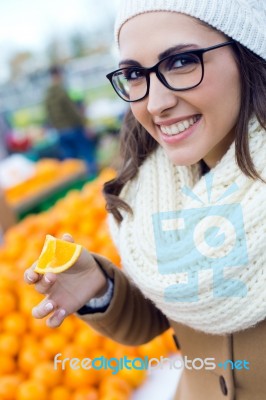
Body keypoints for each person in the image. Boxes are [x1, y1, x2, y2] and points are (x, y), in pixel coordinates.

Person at [25, 0, 266, 399]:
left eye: (182, 62)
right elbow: (172, 314)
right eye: (135, 74)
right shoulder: (154, 189)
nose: (155, 104)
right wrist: (100, 288)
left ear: (248, 53)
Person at [44, 65, 98, 175]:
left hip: (60, 131)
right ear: (58, 75)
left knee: (70, 161)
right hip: (73, 127)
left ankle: (74, 181)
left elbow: (48, 115)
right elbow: (73, 111)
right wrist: (84, 124)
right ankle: (93, 177)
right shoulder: (62, 91)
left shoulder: (47, 95)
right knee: (86, 153)